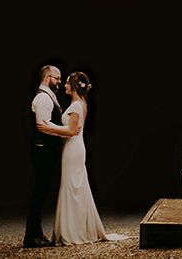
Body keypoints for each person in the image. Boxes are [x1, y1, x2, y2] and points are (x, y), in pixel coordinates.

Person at [37, 71, 129, 245]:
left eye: (66, 83)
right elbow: (71, 131)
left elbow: (71, 131)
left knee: (73, 187)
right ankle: (75, 228)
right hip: (73, 148)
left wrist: (48, 127)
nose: (64, 85)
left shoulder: (77, 105)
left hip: (73, 150)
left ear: (73, 86)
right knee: (74, 187)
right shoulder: (78, 104)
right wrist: (55, 129)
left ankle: (74, 231)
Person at [23, 64, 66, 249]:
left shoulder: (48, 96)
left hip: (46, 150)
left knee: (41, 191)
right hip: (42, 150)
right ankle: (31, 236)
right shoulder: (43, 97)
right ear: (47, 78)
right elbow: (43, 126)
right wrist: (66, 132)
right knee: (38, 192)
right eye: (57, 78)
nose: (60, 81)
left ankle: (36, 233)